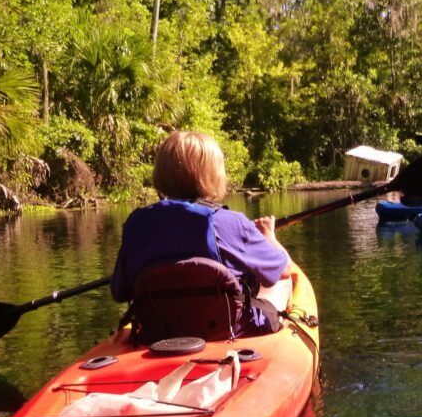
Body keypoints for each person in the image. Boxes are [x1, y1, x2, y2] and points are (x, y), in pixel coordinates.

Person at [110, 130, 289, 335]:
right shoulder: (231, 223)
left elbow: (119, 292)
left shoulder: (136, 225)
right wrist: (269, 236)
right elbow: (283, 271)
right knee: (285, 284)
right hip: (229, 332)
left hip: (159, 332)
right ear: (214, 174)